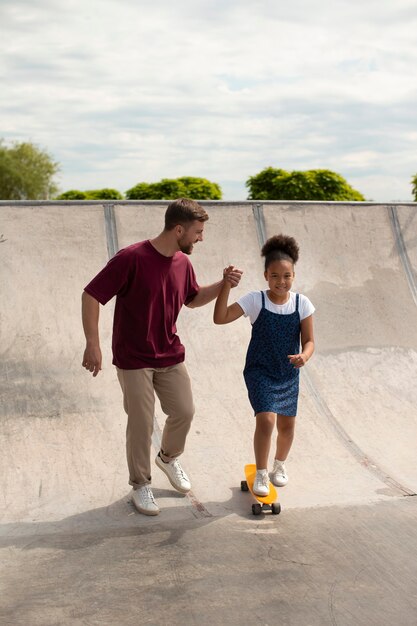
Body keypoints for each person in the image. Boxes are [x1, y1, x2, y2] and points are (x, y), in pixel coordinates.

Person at [81, 198, 242, 516]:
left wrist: (223, 283)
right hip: (133, 356)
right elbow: (91, 294)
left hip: (169, 352)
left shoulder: (183, 262)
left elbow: (193, 300)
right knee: (141, 422)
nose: (201, 238)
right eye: (197, 231)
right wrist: (93, 344)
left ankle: (168, 458)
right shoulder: (132, 257)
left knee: (184, 410)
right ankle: (140, 484)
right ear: (178, 228)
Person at [213, 234, 315, 496]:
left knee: (287, 426)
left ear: (293, 275)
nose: (281, 282)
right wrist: (226, 285)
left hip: (287, 374)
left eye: (287, 276)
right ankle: (261, 472)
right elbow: (220, 317)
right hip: (260, 371)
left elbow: (310, 341)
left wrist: (304, 356)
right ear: (265, 276)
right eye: (275, 276)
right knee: (267, 420)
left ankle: (279, 466)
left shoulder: (301, 303)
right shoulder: (255, 300)